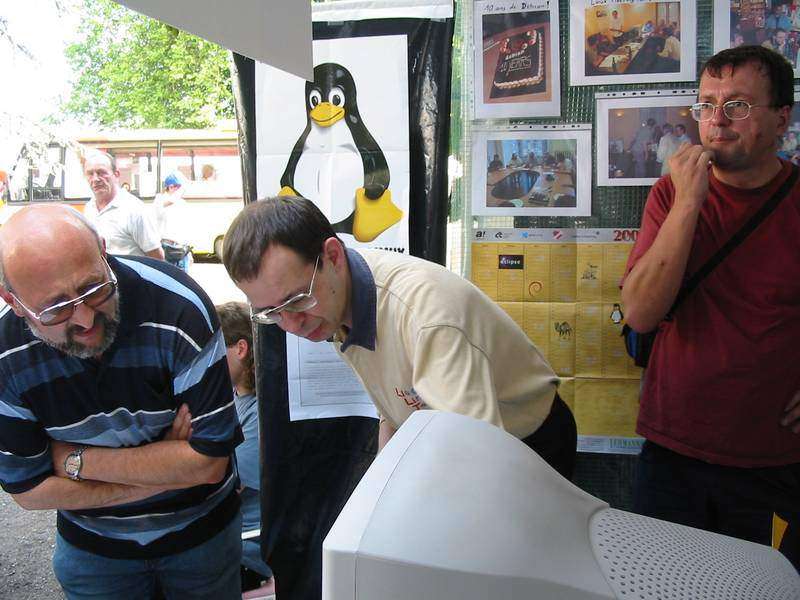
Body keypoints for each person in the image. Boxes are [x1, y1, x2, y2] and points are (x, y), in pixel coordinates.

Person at [222, 196, 578, 480]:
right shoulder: (332, 300)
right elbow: (393, 405)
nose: (292, 325)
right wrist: (381, 485)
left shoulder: (426, 315)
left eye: (297, 300)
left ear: (332, 256)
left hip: (527, 440)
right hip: (466, 441)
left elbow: (476, 462)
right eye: (272, 312)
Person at [0, 204, 244, 598]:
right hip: (95, 554)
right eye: (56, 308)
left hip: (202, 540)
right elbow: (29, 491)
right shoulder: (6, 356)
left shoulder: (178, 306)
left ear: (103, 250)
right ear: (13, 301)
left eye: (94, 288)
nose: (84, 319)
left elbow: (209, 464)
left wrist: (75, 460)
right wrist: (167, 470)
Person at [621, 45, 800, 570]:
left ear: (781, 119)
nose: (717, 120)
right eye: (706, 104)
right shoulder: (669, 194)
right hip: (672, 448)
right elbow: (640, 314)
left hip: (773, 455)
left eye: (738, 105)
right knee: (663, 581)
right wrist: (689, 201)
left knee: (763, 586)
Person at [216, 301, 274, 593]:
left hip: (247, 550)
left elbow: (223, 485)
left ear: (240, 349)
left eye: (212, 350)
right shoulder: (234, 399)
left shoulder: (260, 413)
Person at [82, 151, 164, 260]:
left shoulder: (135, 210)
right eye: (90, 174)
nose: (95, 179)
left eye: (101, 172)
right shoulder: (89, 208)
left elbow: (157, 258)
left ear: (116, 175)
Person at [153, 173, 192, 272]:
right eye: (178, 187)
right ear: (170, 187)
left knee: (183, 279)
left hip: (182, 249)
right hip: (166, 247)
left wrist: (189, 252)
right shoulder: (159, 199)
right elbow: (166, 204)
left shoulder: (182, 203)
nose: (180, 191)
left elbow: (187, 227)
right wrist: (182, 189)